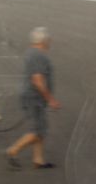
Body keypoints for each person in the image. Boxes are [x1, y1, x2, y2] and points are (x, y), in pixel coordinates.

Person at [7, 26, 60, 170]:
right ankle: (13, 150)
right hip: (34, 98)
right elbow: (37, 80)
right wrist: (50, 99)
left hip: (32, 97)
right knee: (37, 131)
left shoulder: (32, 52)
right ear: (43, 40)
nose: (50, 41)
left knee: (40, 128)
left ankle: (38, 160)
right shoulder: (38, 55)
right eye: (48, 39)